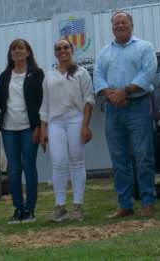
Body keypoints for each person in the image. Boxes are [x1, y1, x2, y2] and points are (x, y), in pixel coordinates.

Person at [94, 11, 158, 218]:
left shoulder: (144, 47)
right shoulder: (104, 52)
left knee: (143, 155)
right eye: (116, 23)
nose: (119, 26)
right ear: (112, 27)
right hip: (113, 109)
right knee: (119, 159)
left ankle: (148, 202)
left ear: (131, 25)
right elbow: (98, 76)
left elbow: (148, 72)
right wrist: (109, 94)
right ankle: (125, 204)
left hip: (138, 105)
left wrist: (125, 91)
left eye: (123, 22)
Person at [0, 38, 44, 224]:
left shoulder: (37, 74)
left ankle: (30, 209)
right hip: (8, 129)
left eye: (21, 48)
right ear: (10, 54)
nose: (17, 51)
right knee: (13, 170)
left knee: (29, 167)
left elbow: (42, 102)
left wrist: (40, 127)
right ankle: (18, 208)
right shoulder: (5, 76)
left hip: (29, 128)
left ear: (28, 52)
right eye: (14, 48)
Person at [39, 39, 95, 222]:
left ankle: (78, 205)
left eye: (65, 47)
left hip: (75, 119)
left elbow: (89, 100)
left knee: (77, 162)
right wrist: (43, 129)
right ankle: (60, 205)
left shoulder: (81, 73)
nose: (62, 51)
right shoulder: (49, 76)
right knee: (58, 162)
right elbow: (45, 105)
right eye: (58, 48)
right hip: (55, 122)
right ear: (55, 53)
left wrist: (85, 125)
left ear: (72, 50)